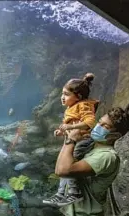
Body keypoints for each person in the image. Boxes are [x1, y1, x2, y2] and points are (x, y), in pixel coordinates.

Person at [55, 107, 129, 216]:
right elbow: (65, 160)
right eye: (100, 122)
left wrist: (71, 141)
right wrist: (69, 138)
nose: (98, 126)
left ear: (116, 135)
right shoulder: (92, 146)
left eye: (105, 126)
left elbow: (62, 170)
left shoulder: (107, 156)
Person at [43, 73, 100, 206]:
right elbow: (72, 125)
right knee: (63, 166)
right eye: (62, 94)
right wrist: (63, 131)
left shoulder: (83, 105)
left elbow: (90, 122)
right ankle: (60, 193)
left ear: (78, 96)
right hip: (72, 140)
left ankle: (75, 193)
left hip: (82, 141)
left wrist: (70, 126)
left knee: (68, 166)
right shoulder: (71, 107)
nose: (62, 97)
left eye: (66, 94)